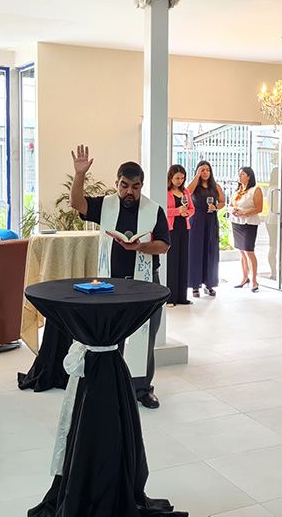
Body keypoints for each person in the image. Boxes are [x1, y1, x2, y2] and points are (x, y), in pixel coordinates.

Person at [69, 145, 171, 409]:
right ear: (117, 183)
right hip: (110, 283)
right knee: (111, 337)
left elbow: (164, 245)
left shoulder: (154, 210)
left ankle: (142, 389)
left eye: (135, 187)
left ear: (142, 186)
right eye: (124, 186)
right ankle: (112, 386)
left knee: (144, 336)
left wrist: (141, 247)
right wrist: (79, 174)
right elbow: (77, 203)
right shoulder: (105, 205)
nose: (129, 192)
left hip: (144, 284)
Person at [187, 160, 224, 298]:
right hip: (196, 219)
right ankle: (195, 285)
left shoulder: (216, 186)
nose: (205, 172)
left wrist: (216, 207)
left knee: (211, 251)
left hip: (211, 219)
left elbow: (222, 202)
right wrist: (197, 176)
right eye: (202, 170)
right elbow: (187, 192)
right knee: (195, 252)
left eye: (207, 170)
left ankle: (210, 284)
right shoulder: (194, 187)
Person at [229, 166, 263, 293]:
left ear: (249, 176)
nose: (239, 176)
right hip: (237, 223)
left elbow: (259, 208)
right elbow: (230, 205)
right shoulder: (237, 191)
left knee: (249, 251)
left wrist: (244, 213)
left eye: (242, 174)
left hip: (249, 223)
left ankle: (254, 280)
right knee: (241, 251)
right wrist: (232, 210)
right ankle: (244, 278)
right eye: (239, 174)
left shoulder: (255, 190)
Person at [165, 165, 195, 306]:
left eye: (182, 178)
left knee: (184, 260)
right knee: (172, 261)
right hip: (171, 229)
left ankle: (182, 297)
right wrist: (177, 211)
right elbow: (163, 210)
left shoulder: (185, 191)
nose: (180, 181)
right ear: (170, 177)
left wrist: (187, 213)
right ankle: (170, 298)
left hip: (184, 227)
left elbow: (192, 209)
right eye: (177, 178)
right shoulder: (166, 192)